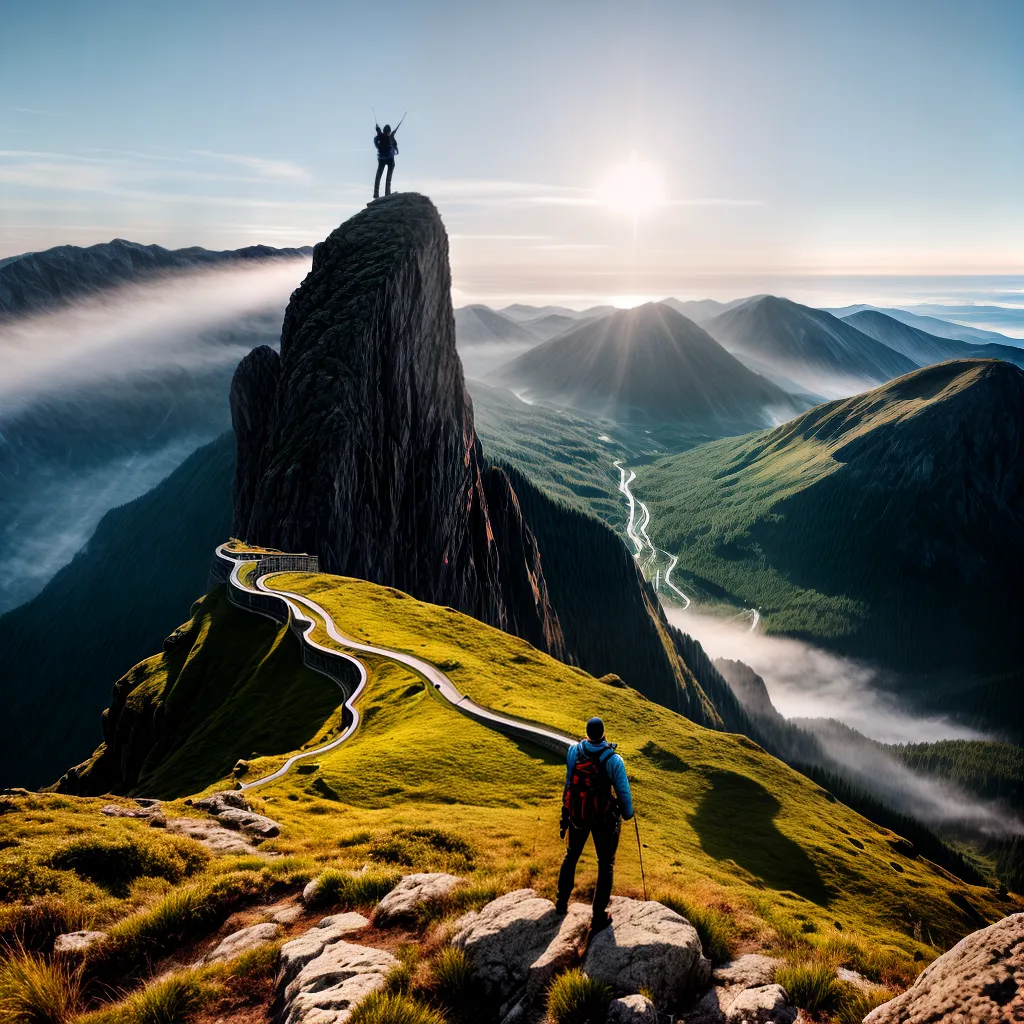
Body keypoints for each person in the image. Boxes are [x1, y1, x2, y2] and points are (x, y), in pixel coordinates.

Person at [556, 716, 633, 932]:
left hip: (577, 814)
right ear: (604, 733)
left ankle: (561, 904)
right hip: (603, 818)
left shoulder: (574, 751)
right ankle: (598, 917)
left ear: (587, 733)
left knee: (571, 855)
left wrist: (567, 807)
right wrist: (627, 813)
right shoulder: (613, 760)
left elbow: (570, 780)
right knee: (605, 864)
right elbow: (622, 791)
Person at [373, 122, 399, 199]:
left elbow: (375, 139)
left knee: (379, 176)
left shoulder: (380, 135)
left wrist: (377, 146)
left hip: (382, 158)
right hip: (389, 159)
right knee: (388, 176)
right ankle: (386, 193)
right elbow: (395, 144)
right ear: (389, 131)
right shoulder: (390, 137)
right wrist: (396, 150)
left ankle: (376, 194)